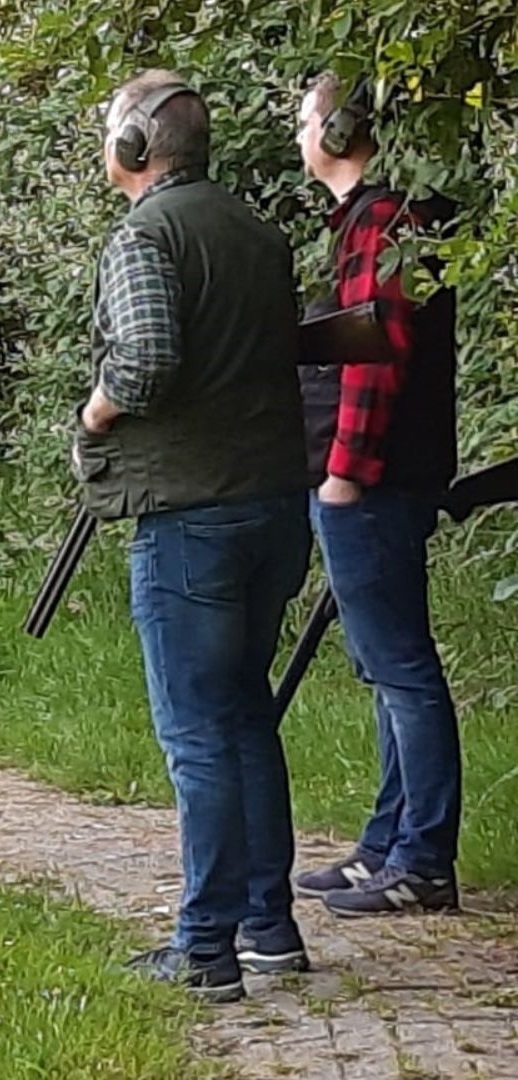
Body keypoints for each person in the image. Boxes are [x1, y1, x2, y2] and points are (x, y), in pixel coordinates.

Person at [74, 71, 311, 1001]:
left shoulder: (145, 235)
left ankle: (205, 949)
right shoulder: (260, 233)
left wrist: (95, 414)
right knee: (246, 714)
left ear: (133, 148)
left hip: (189, 514)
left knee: (198, 733)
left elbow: (145, 360)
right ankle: (269, 927)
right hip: (274, 503)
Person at [291, 72, 462, 916]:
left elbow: (375, 356)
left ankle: (422, 859)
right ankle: (388, 845)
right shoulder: (378, 220)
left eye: (305, 120)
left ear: (338, 133)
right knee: (388, 670)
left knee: (402, 669)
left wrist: (345, 472)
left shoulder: (384, 223)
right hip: (383, 478)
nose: (298, 136)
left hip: (375, 482)